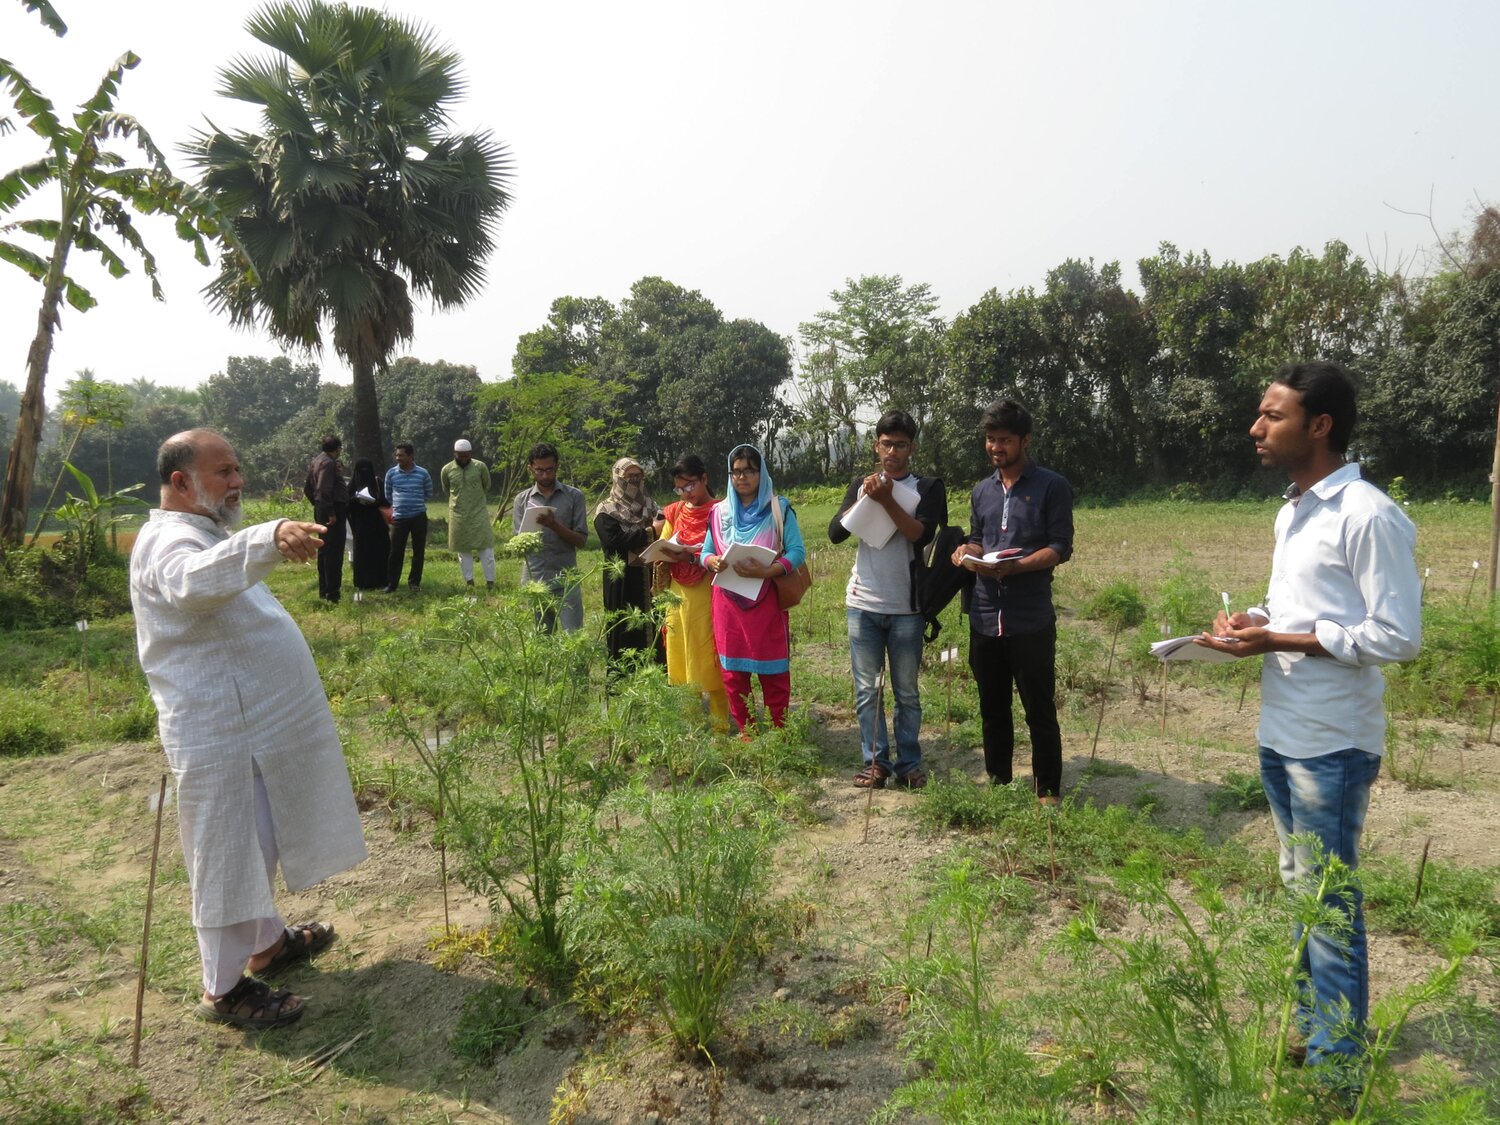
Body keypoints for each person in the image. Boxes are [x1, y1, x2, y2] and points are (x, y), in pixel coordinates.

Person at [1196, 361, 1420, 1076]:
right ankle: (1310, 1027)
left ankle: (1338, 1065)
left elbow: (1396, 635)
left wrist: (1280, 638)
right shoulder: (1292, 510)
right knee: (1301, 888)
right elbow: (1293, 609)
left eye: (1273, 415)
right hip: (1282, 733)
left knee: (1329, 904)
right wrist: (1251, 623)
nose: (1256, 427)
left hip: (1333, 743)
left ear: (1319, 425)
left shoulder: (1368, 513)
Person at [129, 429, 367, 1030]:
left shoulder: (207, 531)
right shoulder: (167, 541)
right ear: (181, 482)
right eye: (223, 472)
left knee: (259, 838)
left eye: (237, 469)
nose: (237, 482)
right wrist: (267, 535)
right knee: (230, 851)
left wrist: (253, 539)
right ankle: (224, 988)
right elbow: (192, 583)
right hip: (217, 732)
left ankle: (267, 944)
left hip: (249, 726)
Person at [950, 398, 1073, 804]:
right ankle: (998, 780)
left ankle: (1047, 791)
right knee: (992, 706)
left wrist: (1017, 567)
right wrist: (966, 552)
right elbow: (978, 536)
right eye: (990, 439)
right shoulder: (982, 491)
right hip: (985, 615)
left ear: (1026, 440)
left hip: (1029, 617)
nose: (996, 447)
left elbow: (1059, 547)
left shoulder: (1052, 486)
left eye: (1004, 440)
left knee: (1039, 709)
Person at [829, 411, 947, 789]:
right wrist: (864, 499)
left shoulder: (927, 488)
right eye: (885, 443)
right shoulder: (861, 485)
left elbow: (920, 534)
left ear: (912, 448)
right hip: (862, 602)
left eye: (899, 444)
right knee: (867, 690)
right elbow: (835, 533)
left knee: (907, 692)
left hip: (907, 608)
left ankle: (909, 763)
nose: (892, 451)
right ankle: (875, 762)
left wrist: (888, 501)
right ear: (876, 445)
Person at [701, 444, 805, 732]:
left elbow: (796, 552)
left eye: (749, 470)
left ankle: (778, 732)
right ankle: (747, 732)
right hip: (728, 603)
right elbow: (705, 551)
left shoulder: (778, 508)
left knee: (774, 672)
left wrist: (767, 571)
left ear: (761, 473)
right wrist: (712, 562)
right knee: (733, 674)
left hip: (767, 601)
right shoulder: (719, 513)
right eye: (736, 472)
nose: (742, 477)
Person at [657, 455, 730, 730]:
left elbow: (726, 548)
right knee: (681, 653)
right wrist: (665, 551)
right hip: (678, 593)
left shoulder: (721, 510)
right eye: (680, 488)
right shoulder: (674, 511)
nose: (686, 493)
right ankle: (691, 723)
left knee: (709, 654)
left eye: (690, 485)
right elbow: (665, 540)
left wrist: (696, 557)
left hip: (710, 590)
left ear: (705, 479)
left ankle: (720, 725)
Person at [593, 456, 662, 671]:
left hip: (649, 575)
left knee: (654, 624)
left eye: (638, 476)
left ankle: (655, 676)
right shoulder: (606, 510)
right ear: (617, 478)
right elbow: (614, 542)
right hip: (621, 579)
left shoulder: (651, 507)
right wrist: (651, 532)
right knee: (623, 627)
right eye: (628, 476)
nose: (633, 481)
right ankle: (622, 681)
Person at [511, 442, 589, 633]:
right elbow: (517, 543)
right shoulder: (522, 500)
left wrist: (554, 525)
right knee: (543, 637)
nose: (545, 475)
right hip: (535, 577)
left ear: (557, 467)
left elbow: (581, 540)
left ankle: (575, 665)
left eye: (549, 470)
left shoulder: (574, 496)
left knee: (573, 636)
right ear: (531, 469)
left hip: (566, 576)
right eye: (539, 470)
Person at [441, 438, 495, 590]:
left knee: (486, 549)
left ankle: (490, 582)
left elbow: (487, 485)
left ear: (470, 453)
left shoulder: (480, 467)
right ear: (455, 454)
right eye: (460, 455)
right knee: (463, 551)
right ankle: (469, 582)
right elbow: (446, 488)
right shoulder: (447, 470)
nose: (463, 458)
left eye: (466, 455)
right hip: (458, 515)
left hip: (479, 513)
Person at [384, 442, 433, 593]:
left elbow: (428, 493)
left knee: (418, 552)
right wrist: (400, 505)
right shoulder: (391, 473)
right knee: (395, 552)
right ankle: (392, 584)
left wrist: (413, 502)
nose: (398, 458)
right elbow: (388, 494)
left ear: (411, 456)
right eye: (397, 455)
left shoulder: (422, 473)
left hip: (418, 516)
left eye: (401, 455)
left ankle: (414, 583)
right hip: (399, 518)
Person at [306, 434, 349, 603]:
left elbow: (308, 488)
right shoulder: (329, 463)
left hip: (321, 508)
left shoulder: (315, 461)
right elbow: (324, 488)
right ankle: (333, 594)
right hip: (333, 511)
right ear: (337, 449)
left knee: (324, 550)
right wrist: (330, 511)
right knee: (334, 553)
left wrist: (318, 506)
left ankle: (324, 590)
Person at [346, 458, 390, 591]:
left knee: (380, 551)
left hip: (377, 524)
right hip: (360, 525)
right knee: (362, 553)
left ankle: (382, 580)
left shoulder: (377, 483)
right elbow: (345, 505)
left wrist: (374, 502)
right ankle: (363, 582)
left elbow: (386, 501)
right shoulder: (352, 486)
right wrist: (355, 500)